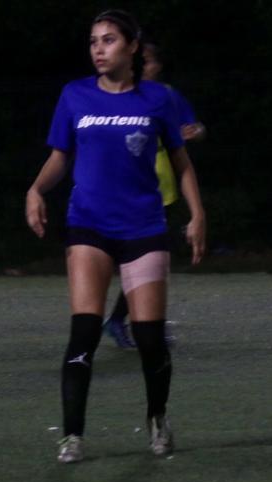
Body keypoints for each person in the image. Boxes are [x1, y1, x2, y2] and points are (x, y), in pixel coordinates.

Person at [25, 9, 206, 463]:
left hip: (144, 227)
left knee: (149, 338)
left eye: (108, 40)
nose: (98, 49)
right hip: (88, 226)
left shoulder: (157, 99)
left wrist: (197, 213)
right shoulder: (75, 95)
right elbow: (60, 156)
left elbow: (181, 163)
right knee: (84, 332)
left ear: (132, 47)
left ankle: (157, 418)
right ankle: (72, 435)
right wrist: (36, 189)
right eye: (93, 41)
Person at [103, 38, 207, 350]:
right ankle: (132, 323)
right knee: (142, 259)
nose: (140, 65)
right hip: (128, 189)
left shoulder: (166, 96)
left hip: (162, 189)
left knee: (153, 260)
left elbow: (196, 126)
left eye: (146, 61)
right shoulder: (117, 95)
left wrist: (194, 131)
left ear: (157, 66)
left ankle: (136, 323)